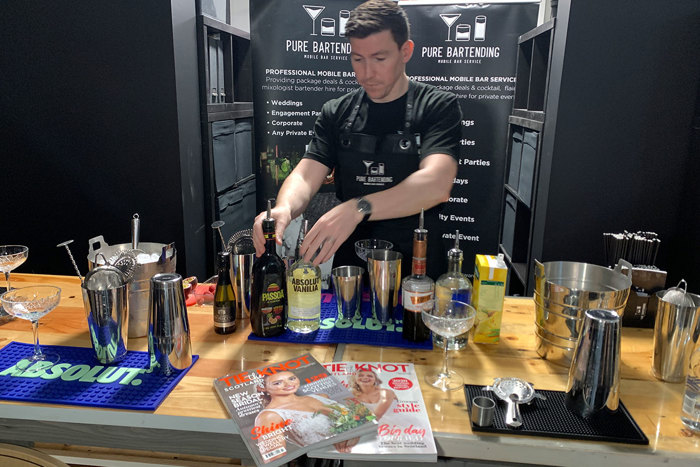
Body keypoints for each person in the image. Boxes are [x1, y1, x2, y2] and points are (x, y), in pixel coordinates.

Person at [253, 0, 461, 278]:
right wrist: (284, 208)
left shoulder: (437, 106)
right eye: (357, 59)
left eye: (379, 58)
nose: (366, 73)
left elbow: (436, 183)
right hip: (352, 263)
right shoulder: (337, 111)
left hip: (416, 261)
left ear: (406, 51)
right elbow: (306, 175)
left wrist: (358, 207)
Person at [253, 371, 357, 461]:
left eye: (292, 378)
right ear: (262, 387)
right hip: (330, 459)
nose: (288, 384)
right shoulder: (269, 416)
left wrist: (353, 436)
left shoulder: (320, 396)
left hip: (364, 443)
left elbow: (357, 419)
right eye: (278, 383)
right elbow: (274, 460)